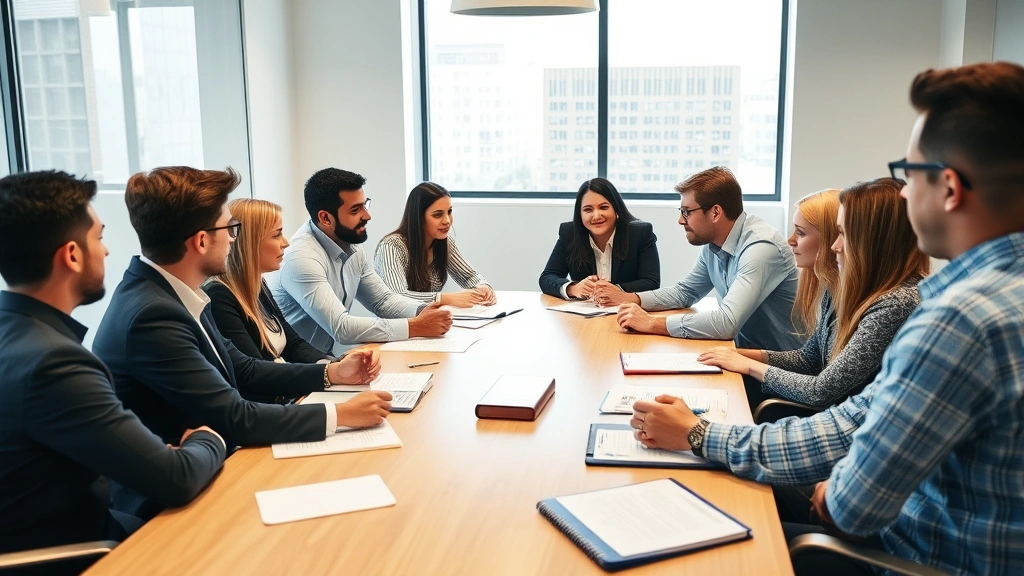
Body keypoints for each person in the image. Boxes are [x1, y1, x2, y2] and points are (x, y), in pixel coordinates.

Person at [629, 62, 1024, 575]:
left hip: (910, 558)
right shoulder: (986, 299)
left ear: (949, 189)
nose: (903, 194)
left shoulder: (958, 321)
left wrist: (701, 435)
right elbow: (854, 419)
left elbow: (850, 505)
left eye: (910, 174)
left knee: (709, 537)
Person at [92, 166, 391, 518]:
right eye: (230, 228)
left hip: (213, 470)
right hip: (171, 506)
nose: (235, 238)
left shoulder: (177, 294)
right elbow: (233, 416)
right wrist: (340, 414)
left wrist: (332, 374)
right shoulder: (152, 315)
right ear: (201, 241)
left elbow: (242, 367)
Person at [0, 171, 225, 563]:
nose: (106, 252)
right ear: (71, 255)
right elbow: (177, 478)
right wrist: (209, 438)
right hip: (83, 550)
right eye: (99, 238)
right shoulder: (57, 362)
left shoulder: (15, 334)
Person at [699, 181, 928, 410]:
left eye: (842, 234)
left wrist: (746, 364)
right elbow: (810, 359)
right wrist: (738, 355)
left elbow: (820, 391)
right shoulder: (842, 291)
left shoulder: (895, 305)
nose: (835, 246)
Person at [616, 167, 802, 351]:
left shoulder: (761, 248)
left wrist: (651, 323)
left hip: (777, 370)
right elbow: (685, 292)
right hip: (742, 356)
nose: (680, 220)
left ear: (715, 213)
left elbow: (726, 323)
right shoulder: (714, 245)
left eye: (686, 211)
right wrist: (631, 298)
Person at [268, 168, 452, 352]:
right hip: (289, 365)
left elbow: (382, 301)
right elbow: (342, 328)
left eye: (365, 205)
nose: (367, 215)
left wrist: (424, 312)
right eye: (355, 210)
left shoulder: (351, 243)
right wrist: (416, 326)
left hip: (319, 358)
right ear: (325, 218)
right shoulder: (302, 258)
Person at [205, 198, 334, 367]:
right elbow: (255, 374)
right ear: (250, 243)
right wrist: (328, 374)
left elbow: (294, 345)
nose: (285, 243)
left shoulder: (259, 285)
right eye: (276, 234)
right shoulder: (219, 296)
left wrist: (333, 364)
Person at [539, 178, 660, 303]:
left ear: (616, 208)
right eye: (588, 210)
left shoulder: (640, 233)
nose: (596, 216)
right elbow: (547, 277)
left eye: (603, 207)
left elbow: (651, 282)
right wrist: (574, 288)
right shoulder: (569, 234)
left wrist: (614, 290)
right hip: (585, 316)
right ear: (579, 214)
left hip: (626, 312)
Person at [374, 181, 495, 306]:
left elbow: (469, 276)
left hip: (430, 320)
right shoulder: (391, 246)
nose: (447, 221)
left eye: (449, 211)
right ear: (418, 217)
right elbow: (397, 296)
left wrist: (482, 286)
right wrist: (446, 299)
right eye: (437, 215)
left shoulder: (444, 242)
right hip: (398, 324)